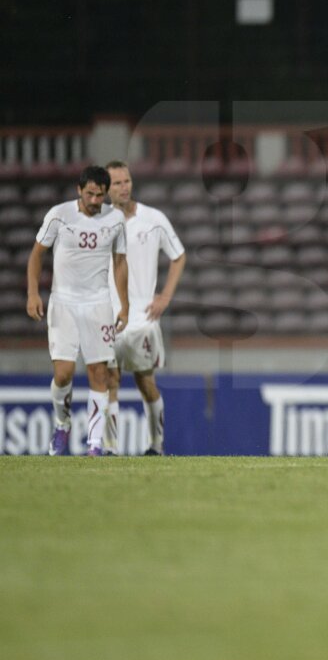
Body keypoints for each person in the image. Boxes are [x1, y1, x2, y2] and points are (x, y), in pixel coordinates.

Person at [26, 165, 129, 457]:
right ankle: (62, 422)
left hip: (98, 303)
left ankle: (94, 444)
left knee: (100, 373)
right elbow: (36, 255)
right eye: (90, 194)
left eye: (100, 195)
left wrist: (125, 305)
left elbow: (120, 262)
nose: (95, 200)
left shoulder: (115, 219)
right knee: (63, 374)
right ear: (79, 191)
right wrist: (33, 293)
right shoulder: (59, 215)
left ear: (106, 194)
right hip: (64, 302)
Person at [101, 161, 187, 455]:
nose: (124, 187)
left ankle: (156, 444)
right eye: (117, 183)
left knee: (145, 381)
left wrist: (165, 296)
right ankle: (110, 448)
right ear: (105, 188)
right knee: (109, 379)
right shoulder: (99, 222)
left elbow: (179, 255)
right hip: (107, 315)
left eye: (127, 181)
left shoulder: (154, 218)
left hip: (142, 316)